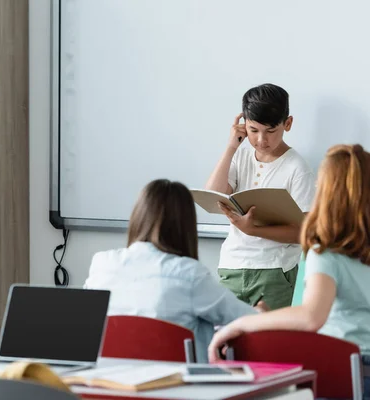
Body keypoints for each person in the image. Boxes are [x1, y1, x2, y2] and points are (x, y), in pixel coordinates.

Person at [208, 144, 370, 397]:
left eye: (320, 183)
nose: (316, 187)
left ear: (329, 192)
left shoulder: (326, 250)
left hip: (345, 373)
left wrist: (243, 323)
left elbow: (311, 317)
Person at [84, 179, 263, 362]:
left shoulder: (102, 264)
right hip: (178, 385)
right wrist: (260, 311)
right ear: (185, 225)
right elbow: (247, 320)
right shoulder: (189, 274)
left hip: (110, 383)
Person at [205, 83, 315, 310]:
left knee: (267, 341)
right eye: (253, 131)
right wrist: (230, 148)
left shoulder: (297, 167)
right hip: (232, 265)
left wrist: (252, 230)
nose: (261, 140)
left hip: (274, 270)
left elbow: (303, 233)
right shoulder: (240, 157)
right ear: (244, 125)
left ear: (288, 123)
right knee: (227, 338)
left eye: (270, 131)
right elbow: (214, 196)